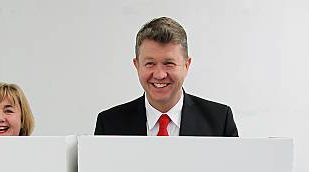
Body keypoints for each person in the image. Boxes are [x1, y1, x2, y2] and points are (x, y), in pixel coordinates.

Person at [95, 17, 238, 137]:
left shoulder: (219, 122)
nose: (159, 75)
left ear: (186, 65)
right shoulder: (109, 125)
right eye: (150, 63)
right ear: (137, 65)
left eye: (169, 63)